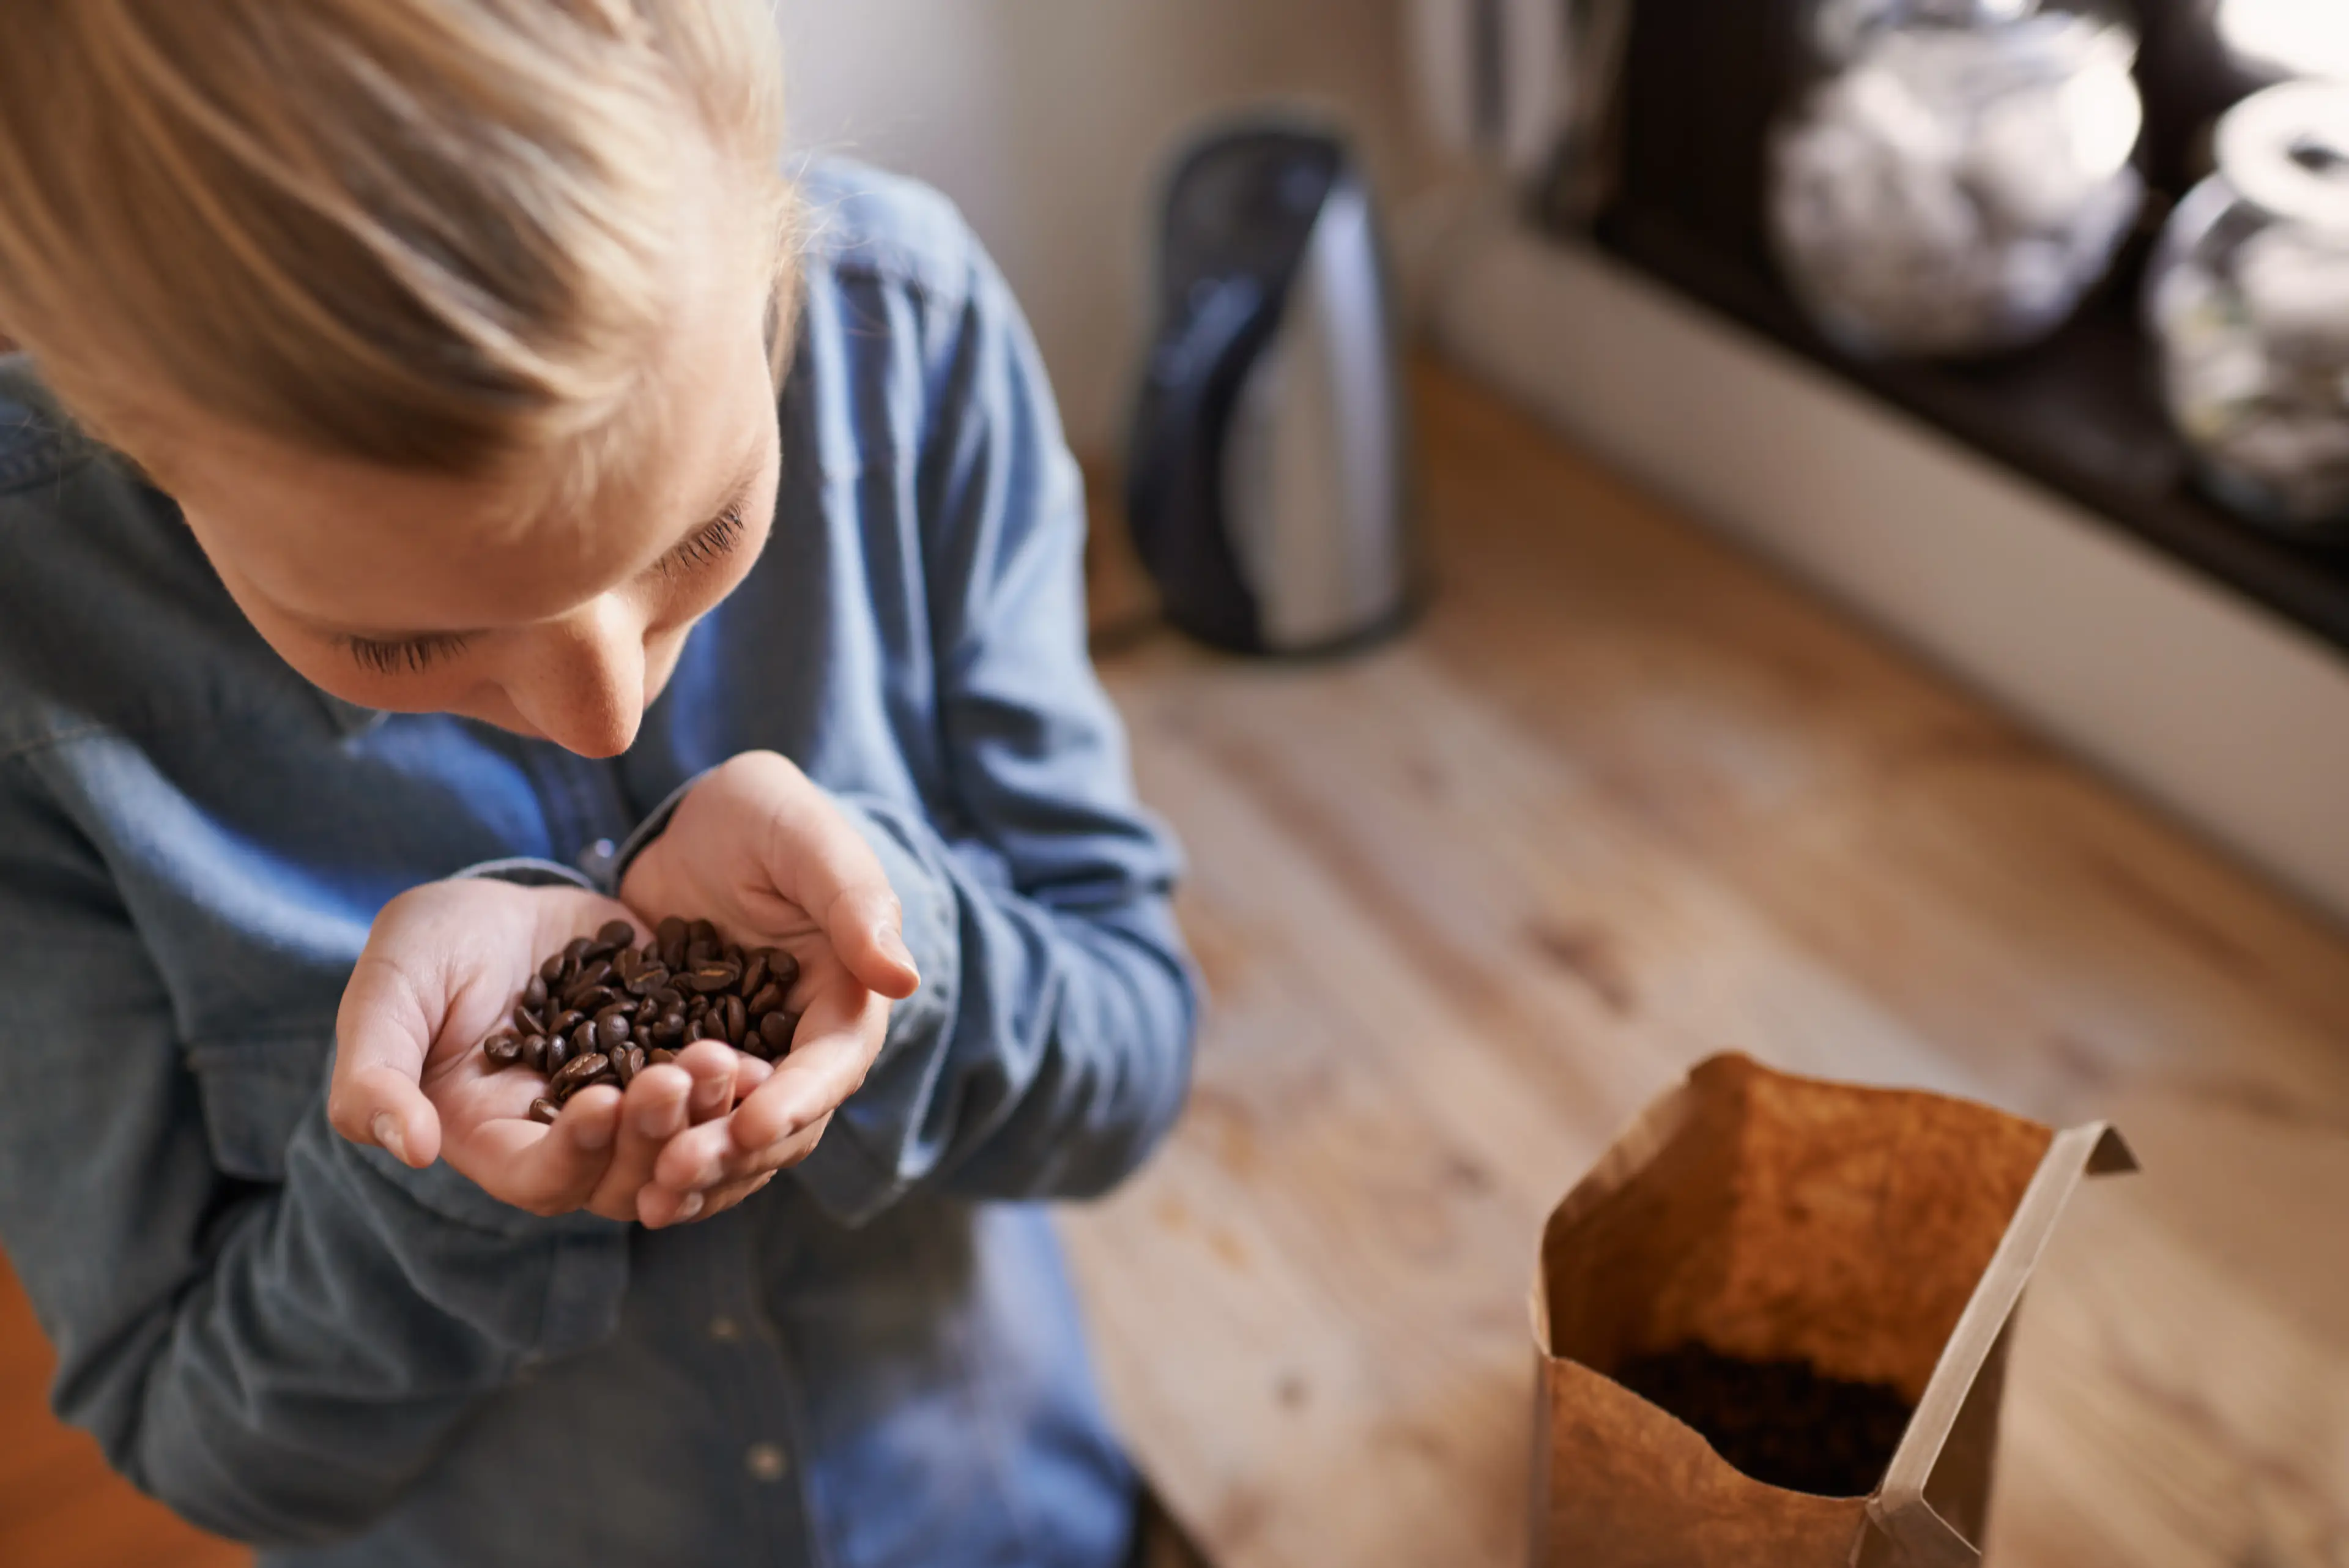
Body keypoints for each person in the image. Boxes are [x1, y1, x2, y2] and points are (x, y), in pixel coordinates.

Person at [0, 4, 1197, 1565]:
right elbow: (205, 1447)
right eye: (399, 639)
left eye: (707, 528)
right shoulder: (32, 640)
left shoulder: (912, 337)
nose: (602, 709)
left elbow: (1135, 1055)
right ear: (126, 431)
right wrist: (429, 1192)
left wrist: (904, 945)